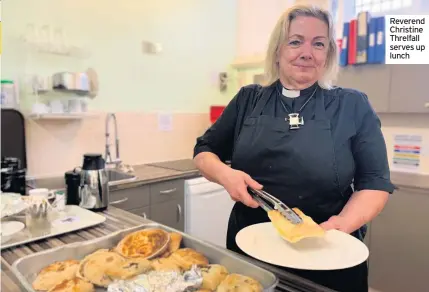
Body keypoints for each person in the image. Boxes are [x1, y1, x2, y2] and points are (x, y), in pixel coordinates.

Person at [193, 4, 395, 292]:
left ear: (328, 55)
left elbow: (374, 183)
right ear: (278, 50)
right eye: (296, 41)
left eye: (318, 44)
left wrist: (342, 224)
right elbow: (204, 150)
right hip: (252, 248)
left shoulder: (352, 105)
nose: (306, 52)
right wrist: (226, 175)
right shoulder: (248, 100)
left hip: (327, 250)